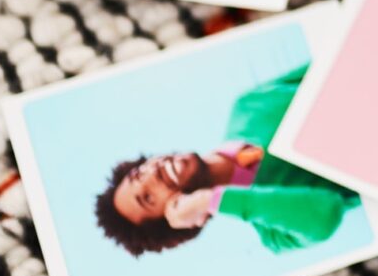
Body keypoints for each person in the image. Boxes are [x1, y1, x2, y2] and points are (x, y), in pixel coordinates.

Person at [93, 64, 362, 256]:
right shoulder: (275, 234)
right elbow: (327, 212)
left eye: (139, 174)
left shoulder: (247, 105)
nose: (153, 174)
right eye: (148, 197)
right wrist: (211, 200)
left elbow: (337, 60)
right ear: (180, 218)